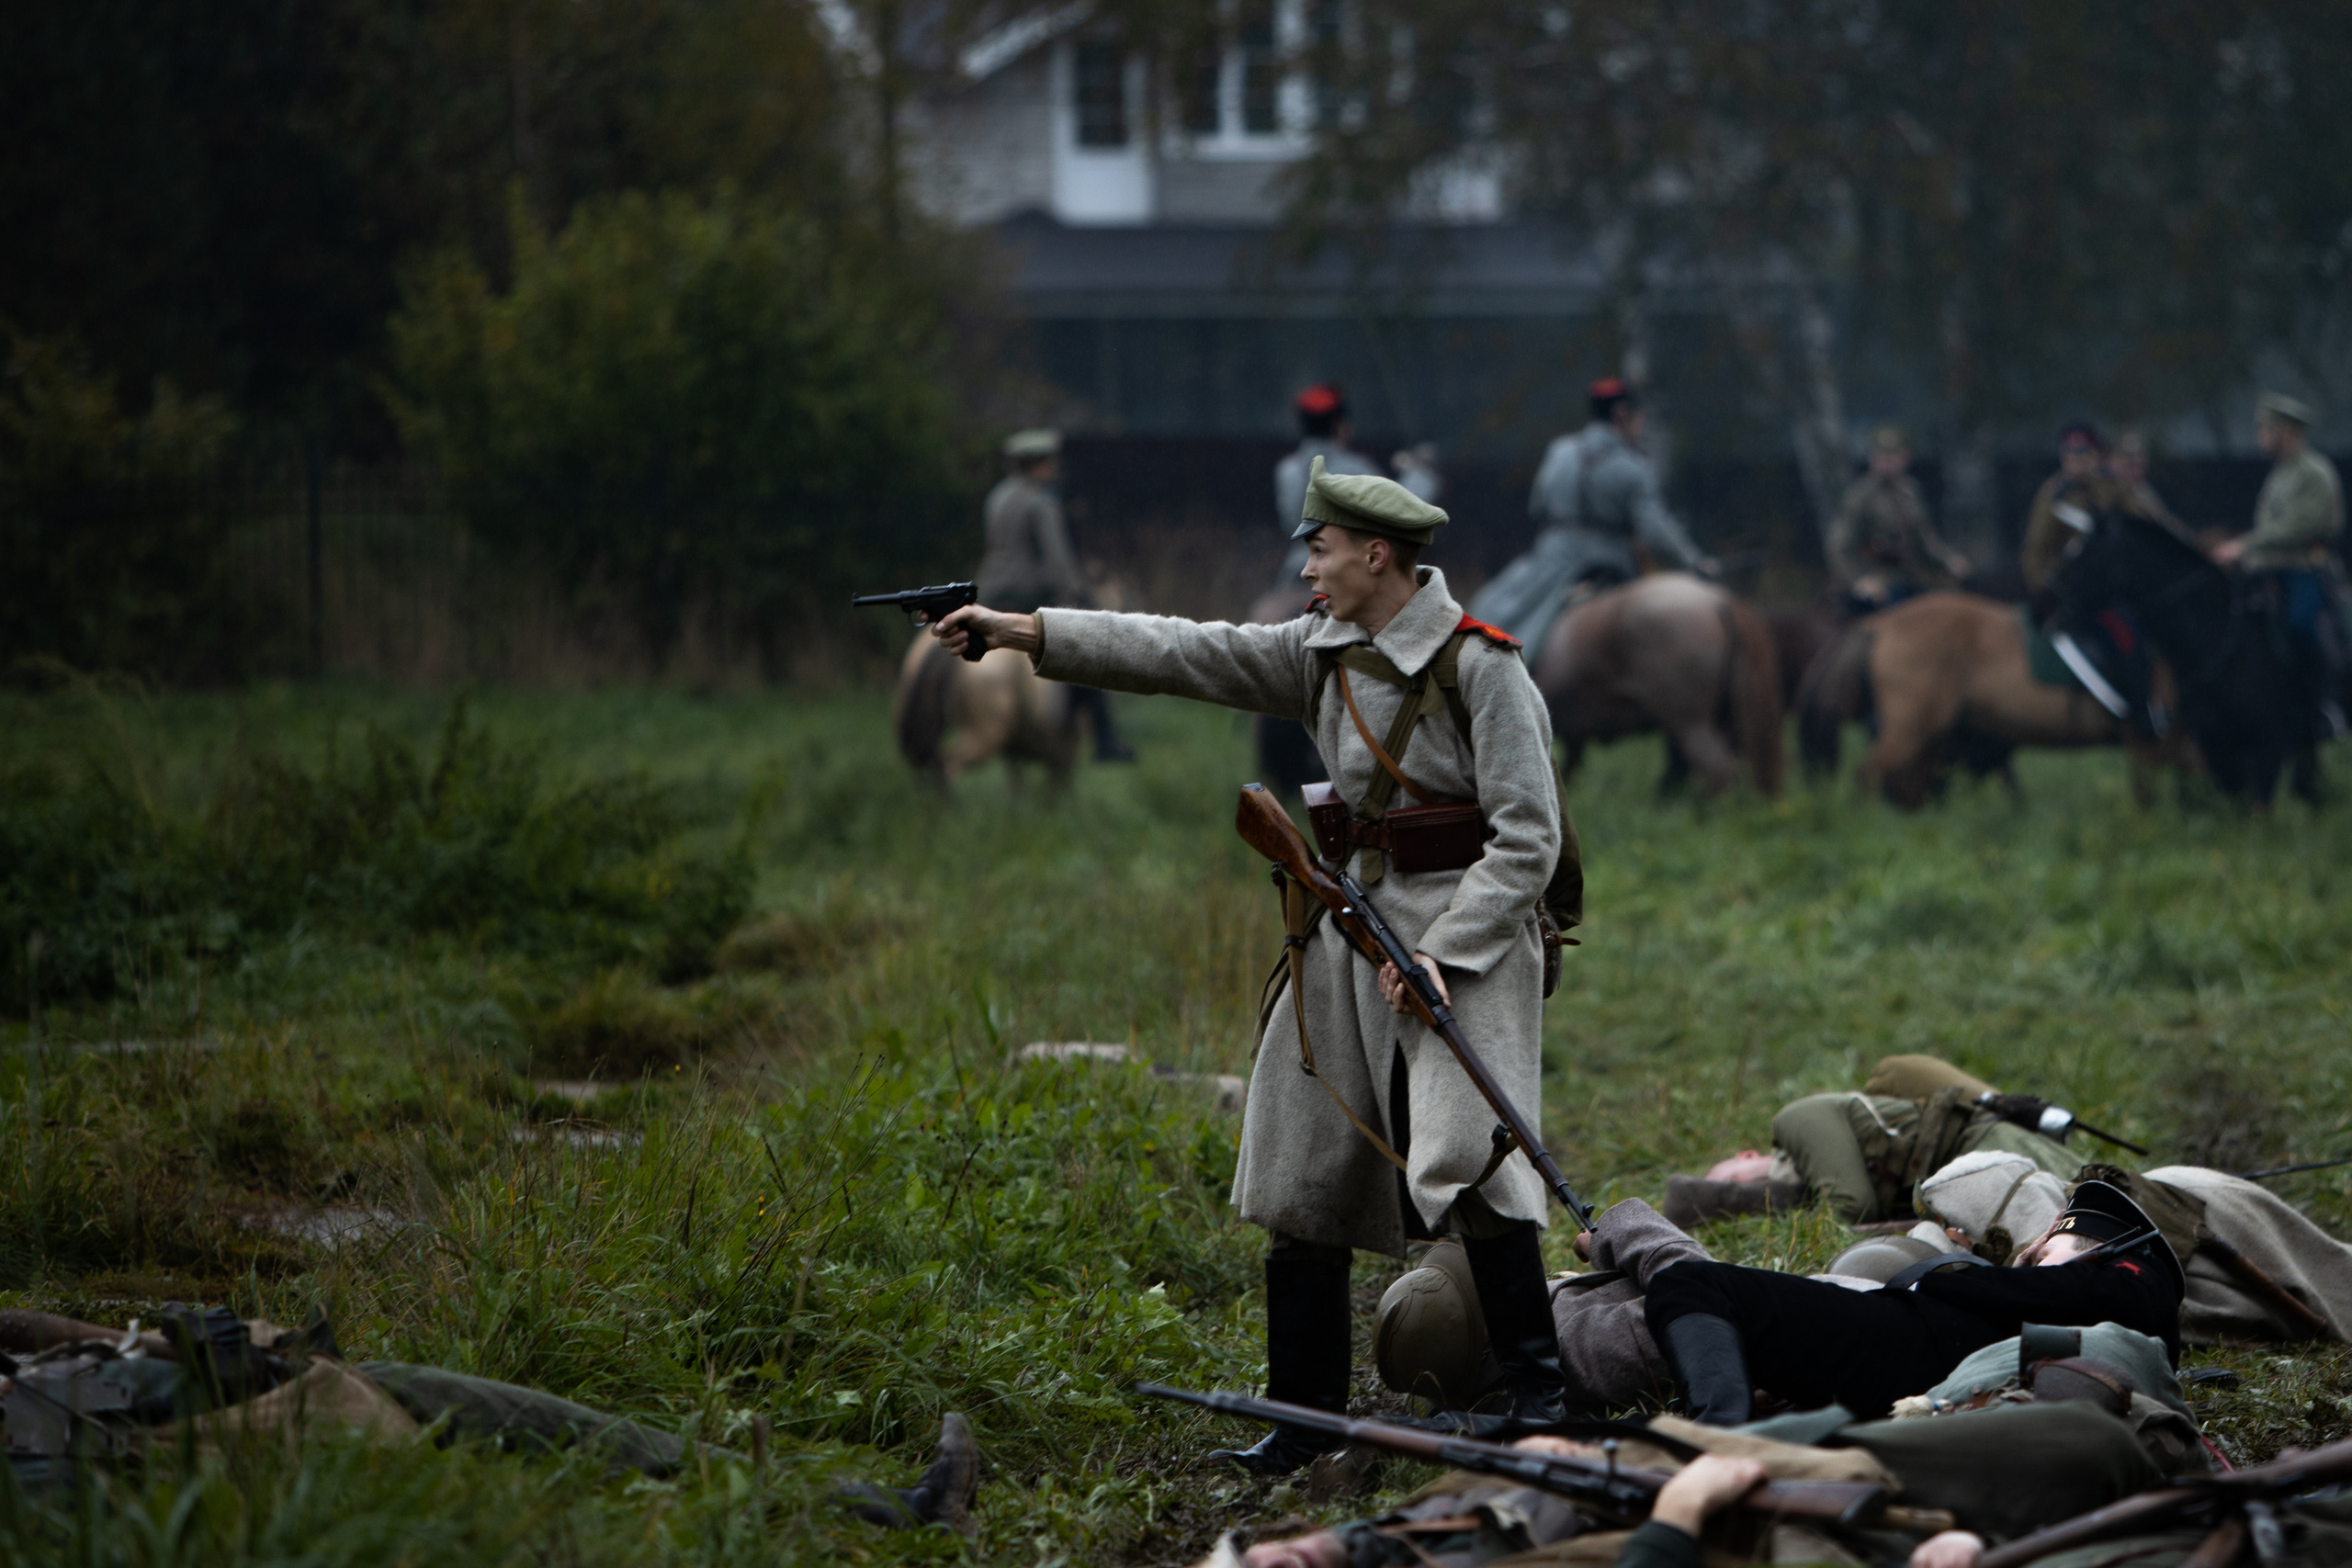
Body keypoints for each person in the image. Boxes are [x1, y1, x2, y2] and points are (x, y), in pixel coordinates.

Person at [932, 460, 1574, 1472]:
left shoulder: (1482, 667)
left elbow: (1529, 839)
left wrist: (1446, 952)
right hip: (1345, 924)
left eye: (1319, 549)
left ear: (1376, 555)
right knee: (1298, 1160)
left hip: (1467, 934)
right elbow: (1180, 650)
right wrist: (1022, 630)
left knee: (1472, 1154)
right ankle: (1304, 1417)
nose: (1307, 567)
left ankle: (1540, 1399)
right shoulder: (1314, 655)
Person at [1645, 1178, 2184, 1427]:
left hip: (1910, 1343)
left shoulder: (2135, 1279)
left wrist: (1953, 1281)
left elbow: (2138, 1296)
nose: (2035, 1256)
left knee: (1694, 1283)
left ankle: (1719, 1435)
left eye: (2048, 1251)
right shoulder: (2065, 1295)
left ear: (2103, 1255)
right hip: (1912, 1355)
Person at [1659, 1055, 2084, 1227]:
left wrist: (1755, 1202)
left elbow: (1851, 1205)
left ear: (1747, 1154)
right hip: (1980, 1171)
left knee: (2101, 1207)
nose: (1748, 1190)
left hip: (1991, 1146)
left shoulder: (1796, 1120)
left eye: (1731, 1179)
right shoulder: (1816, 1177)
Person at [1471, 379, 1714, 652]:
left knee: (1489, 608)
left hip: (1550, 561)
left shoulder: (1559, 451)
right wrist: (1694, 562)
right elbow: (1656, 533)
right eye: (1638, 418)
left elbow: (1537, 507)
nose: (1641, 425)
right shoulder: (1633, 467)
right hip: (1609, 568)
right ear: (1622, 413)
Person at [974, 428, 1134, 762]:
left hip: (990, 592)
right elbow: (1057, 563)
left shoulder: (998, 495)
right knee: (1087, 649)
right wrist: (1077, 597)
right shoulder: (1041, 502)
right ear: (1040, 465)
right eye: (1049, 462)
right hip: (1028, 593)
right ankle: (1105, 740)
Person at [2212, 391, 2346, 749]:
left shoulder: (2315, 473)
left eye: (2264, 429)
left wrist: (2245, 546)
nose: (2259, 436)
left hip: (2303, 571)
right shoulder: (2279, 476)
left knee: (2301, 626)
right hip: (2267, 572)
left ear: (2284, 431)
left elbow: (2308, 525)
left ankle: (2324, 704)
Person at [1824, 426, 1970, 613]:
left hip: (1912, 578)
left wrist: (1949, 560)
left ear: (1905, 458)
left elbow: (1925, 538)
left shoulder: (1910, 491)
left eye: (1890, 459)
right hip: (1879, 582)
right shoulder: (1859, 497)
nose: (1884, 465)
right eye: (1879, 458)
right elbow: (1838, 546)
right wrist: (1860, 580)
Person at [1272, 385, 1380, 586]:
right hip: (1347, 573)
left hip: (1297, 569)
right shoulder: (1358, 468)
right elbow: (1395, 514)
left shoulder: (1286, 469)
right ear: (1338, 425)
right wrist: (1422, 475)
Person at [2019, 423, 2129, 601]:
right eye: (2068, 450)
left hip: (2115, 585)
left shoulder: (2115, 487)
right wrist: (2045, 592)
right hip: (2071, 590)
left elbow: (2143, 520)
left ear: (2097, 454)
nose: (2073, 458)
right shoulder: (2053, 494)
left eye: (2081, 451)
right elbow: (2036, 549)